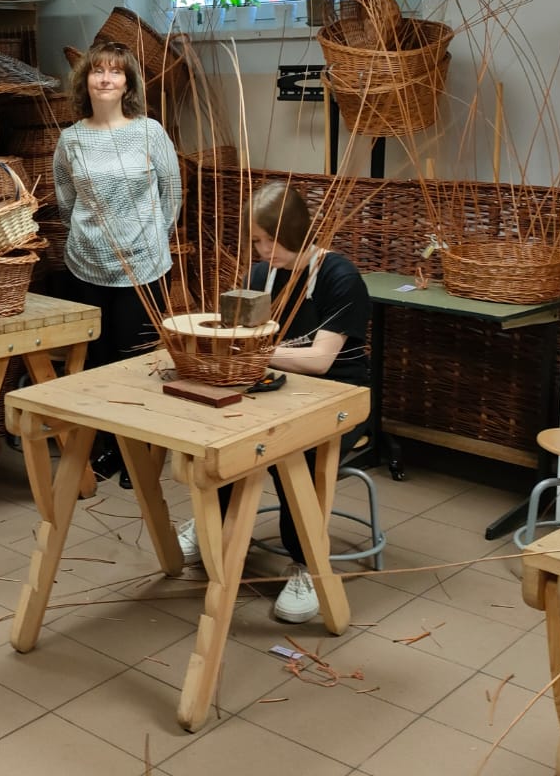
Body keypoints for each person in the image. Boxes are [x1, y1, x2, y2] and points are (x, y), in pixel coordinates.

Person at [175, 181, 372, 626]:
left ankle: (306, 565)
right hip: (275, 388)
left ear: (297, 231)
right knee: (225, 438)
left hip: (336, 396)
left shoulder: (340, 277)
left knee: (291, 455)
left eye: (270, 240)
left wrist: (251, 353)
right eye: (257, 241)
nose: (263, 251)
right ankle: (214, 527)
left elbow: (321, 360)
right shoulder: (261, 276)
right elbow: (239, 336)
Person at [53, 40, 181, 484]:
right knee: (98, 363)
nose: (106, 79)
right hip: (86, 265)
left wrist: (150, 239)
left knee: (138, 364)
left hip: (144, 268)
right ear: (84, 80)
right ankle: (111, 449)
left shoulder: (150, 132)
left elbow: (171, 194)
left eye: (116, 72)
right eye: (97, 71)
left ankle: (138, 454)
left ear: (128, 84)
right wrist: (92, 236)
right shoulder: (71, 139)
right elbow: (65, 201)